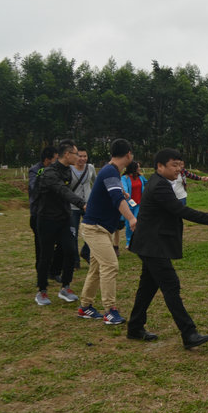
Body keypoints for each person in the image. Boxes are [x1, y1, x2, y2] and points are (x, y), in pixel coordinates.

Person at [127, 149, 208, 349]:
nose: (179, 169)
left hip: (149, 243)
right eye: (174, 165)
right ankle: (189, 333)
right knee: (171, 285)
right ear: (160, 166)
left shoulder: (158, 182)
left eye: (180, 165)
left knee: (148, 287)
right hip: (152, 245)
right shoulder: (160, 185)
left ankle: (134, 327)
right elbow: (180, 210)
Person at [77, 139, 137, 325]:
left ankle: (85, 307)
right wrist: (131, 219)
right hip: (95, 229)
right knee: (110, 265)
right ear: (128, 154)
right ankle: (110, 311)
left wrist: (122, 193)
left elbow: (114, 193)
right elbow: (116, 198)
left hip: (100, 228)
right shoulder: (111, 171)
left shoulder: (111, 171)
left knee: (96, 268)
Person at [33, 140, 87, 306]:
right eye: (76, 154)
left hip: (64, 218)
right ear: (67, 154)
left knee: (70, 250)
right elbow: (62, 190)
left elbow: (66, 192)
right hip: (47, 219)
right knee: (46, 255)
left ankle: (65, 287)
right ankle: (42, 291)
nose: (79, 157)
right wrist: (82, 204)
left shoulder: (67, 170)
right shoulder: (49, 173)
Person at [29, 146, 62, 282]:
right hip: (39, 214)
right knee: (41, 246)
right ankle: (42, 273)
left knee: (61, 243)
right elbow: (34, 188)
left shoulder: (57, 171)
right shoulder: (35, 170)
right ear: (48, 159)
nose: (58, 161)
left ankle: (54, 271)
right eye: (56, 159)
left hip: (55, 213)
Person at [70, 147, 96, 268]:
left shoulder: (90, 168)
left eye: (85, 156)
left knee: (93, 230)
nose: (82, 159)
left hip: (88, 206)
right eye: (80, 156)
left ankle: (86, 252)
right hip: (73, 206)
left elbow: (96, 182)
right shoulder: (69, 169)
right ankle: (75, 261)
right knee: (73, 234)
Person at [121, 161, 148, 248]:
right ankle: (129, 241)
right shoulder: (124, 178)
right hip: (129, 204)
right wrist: (126, 194)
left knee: (137, 222)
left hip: (139, 204)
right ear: (133, 168)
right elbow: (124, 188)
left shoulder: (141, 177)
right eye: (138, 167)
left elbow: (148, 183)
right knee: (129, 223)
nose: (139, 169)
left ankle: (138, 240)